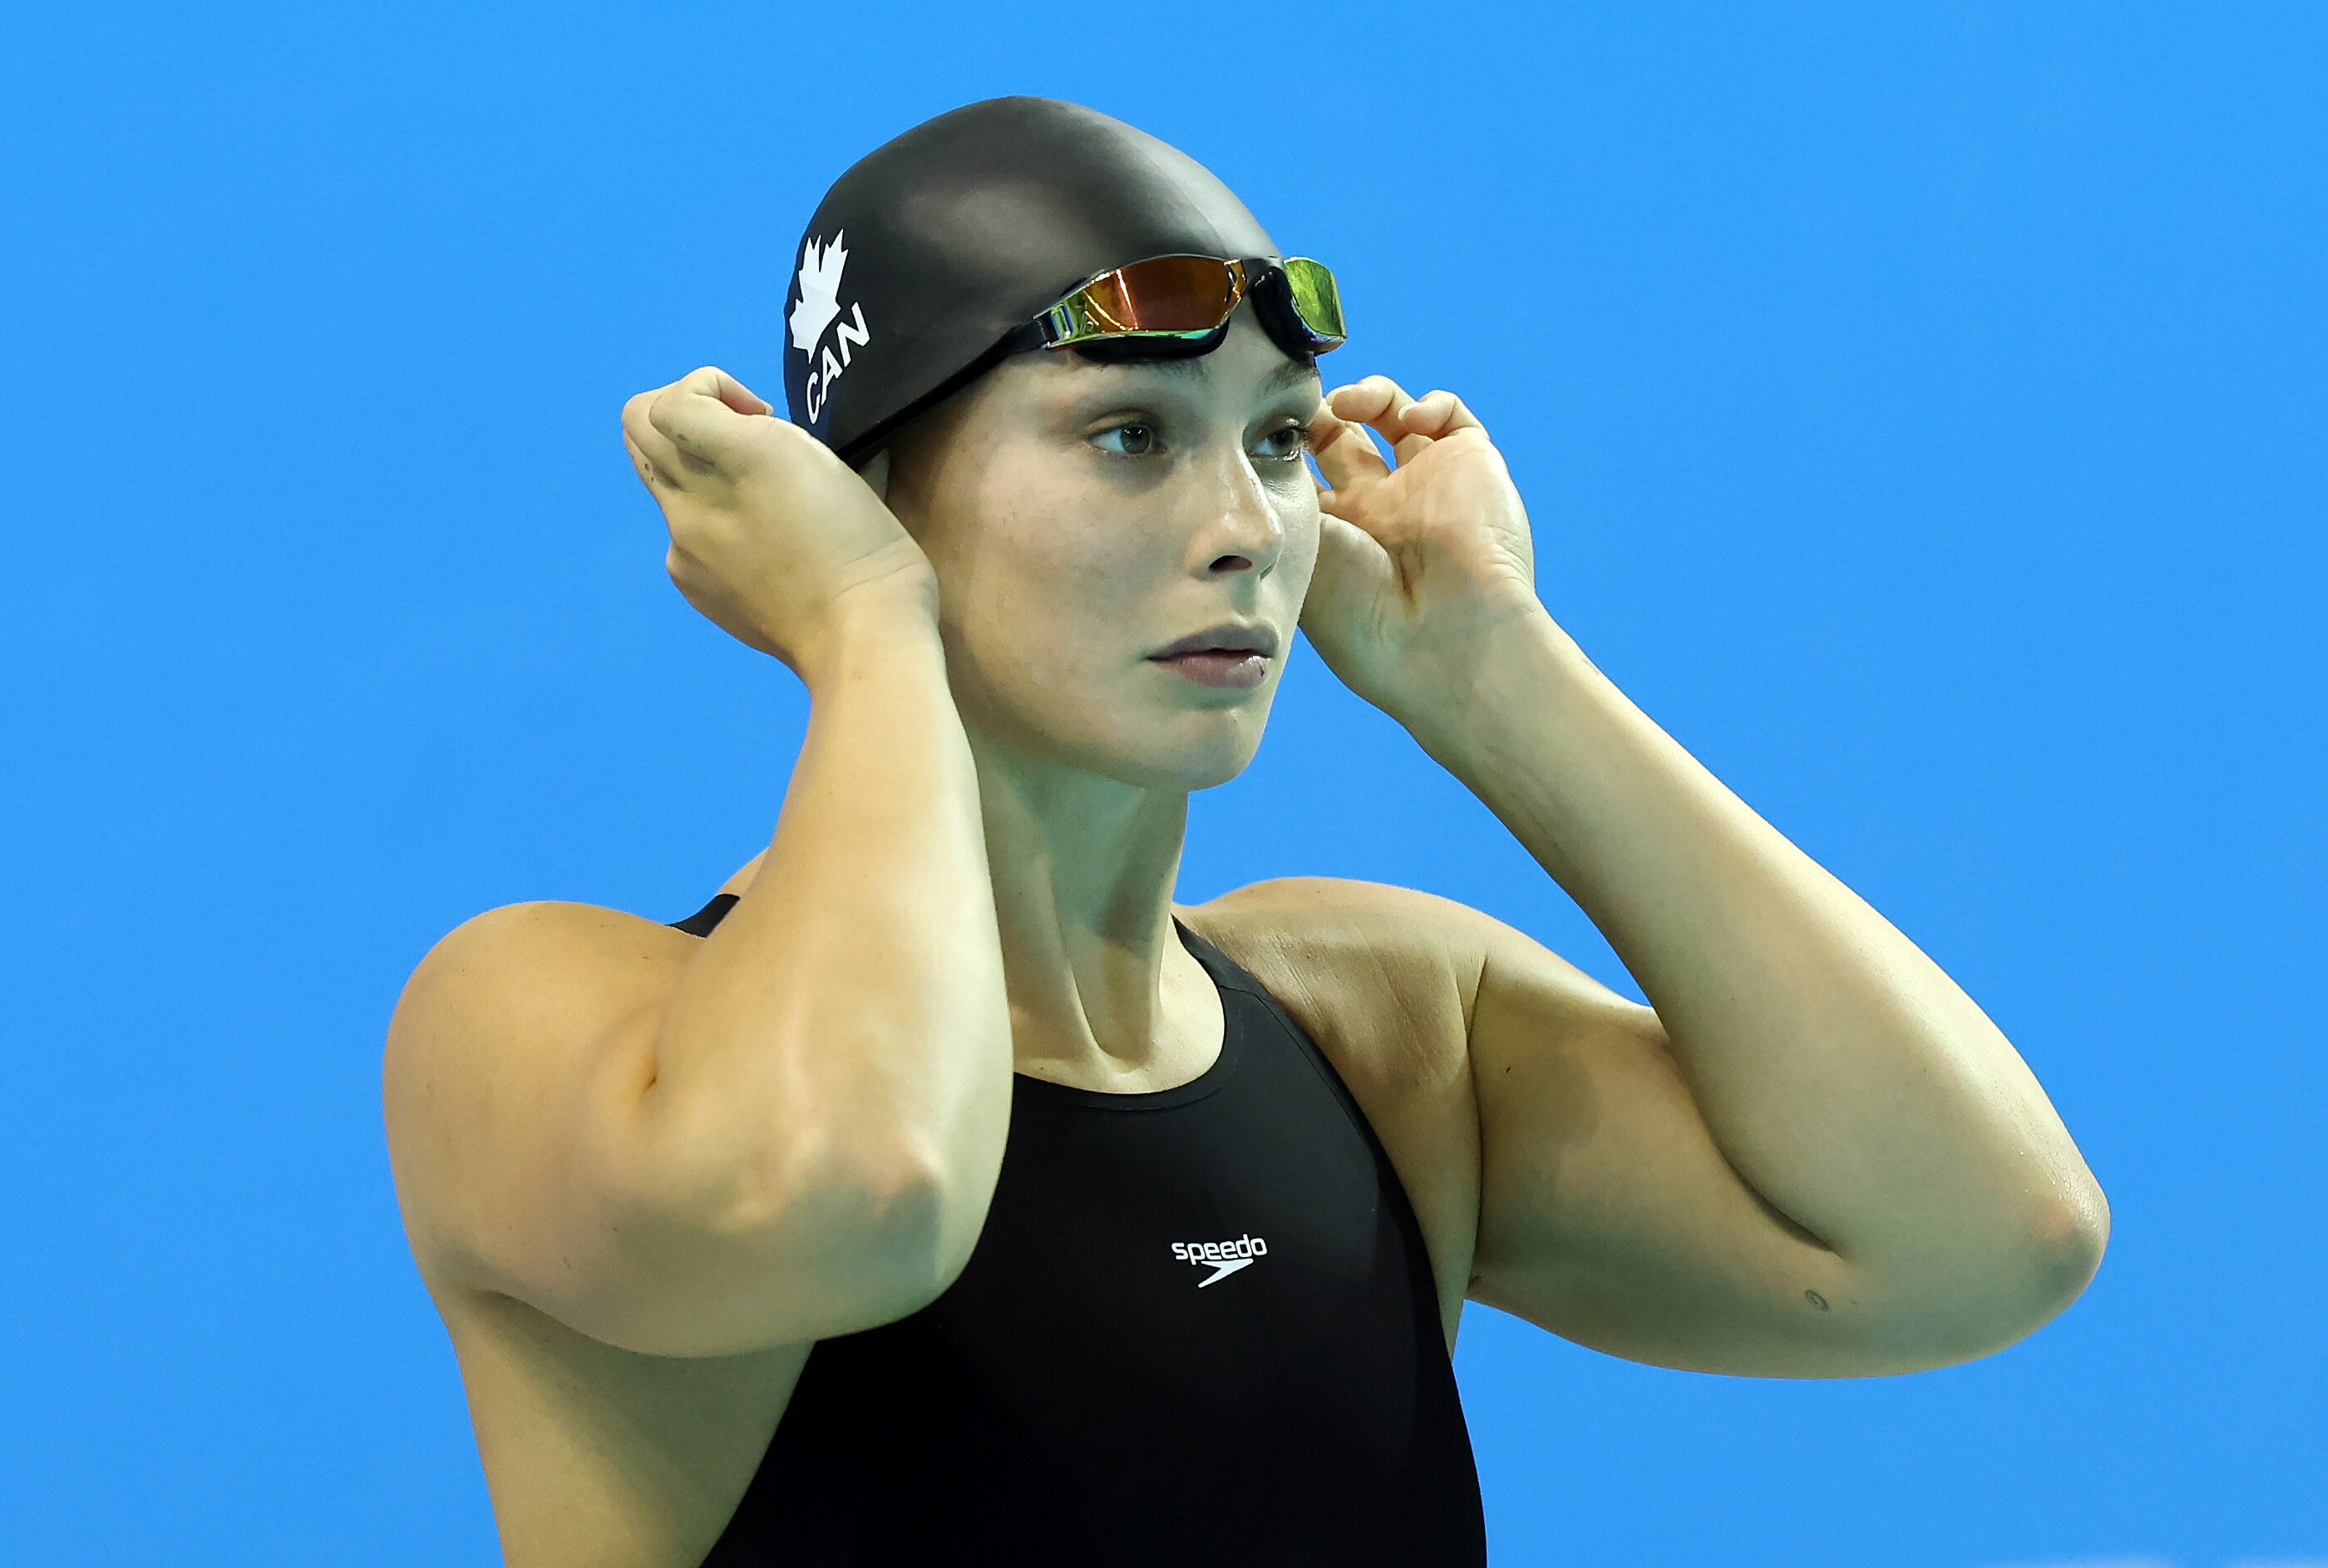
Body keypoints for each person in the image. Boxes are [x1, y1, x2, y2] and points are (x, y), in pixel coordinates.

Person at [381, 96, 2109, 1566]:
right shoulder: (549, 1022)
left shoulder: (1378, 1024)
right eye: (1129, 433)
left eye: (1279, 439)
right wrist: (858, 625)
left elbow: (1980, 1239)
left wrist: (1494, 674)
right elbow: (866, 1188)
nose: (1246, 526)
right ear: (865, 494)